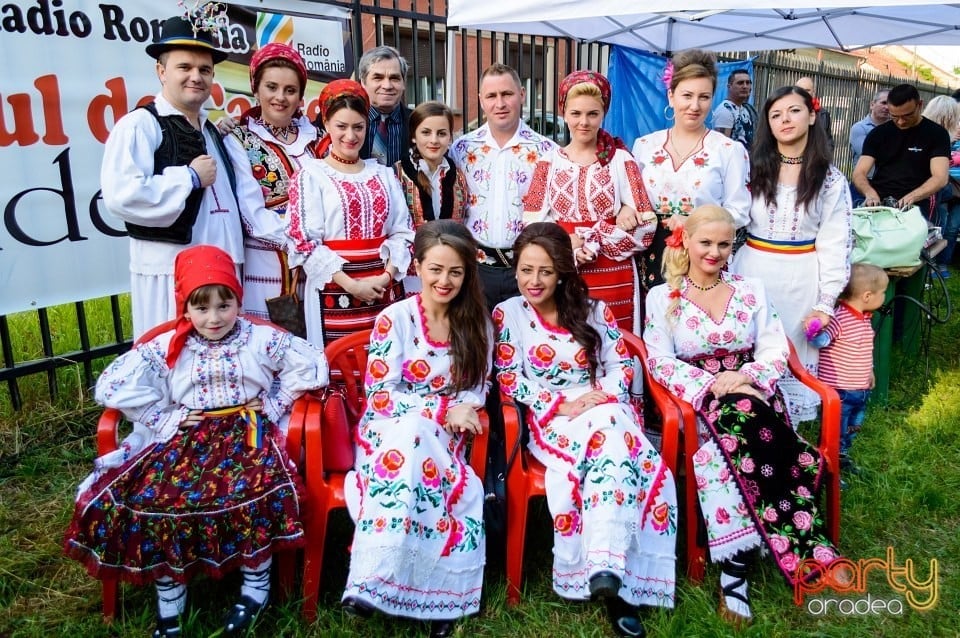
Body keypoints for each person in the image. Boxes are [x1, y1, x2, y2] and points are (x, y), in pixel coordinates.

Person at [64, 245, 329, 637]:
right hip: (187, 438)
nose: (214, 318)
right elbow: (112, 385)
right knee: (160, 498)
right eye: (201, 308)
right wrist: (162, 417)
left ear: (238, 302)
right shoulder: (169, 345)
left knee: (251, 492)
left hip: (246, 433)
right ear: (184, 307)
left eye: (225, 305)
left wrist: (275, 402)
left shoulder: (257, 338)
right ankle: (170, 604)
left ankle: (255, 589)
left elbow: (312, 364)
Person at [644, 205, 841, 627]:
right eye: (706, 243)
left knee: (735, 435)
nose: (715, 252)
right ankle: (800, 545)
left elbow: (773, 348)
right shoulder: (664, 297)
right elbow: (659, 362)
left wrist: (745, 377)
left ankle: (734, 575)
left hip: (753, 392)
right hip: (698, 400)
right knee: (728, 437)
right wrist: (711, 385)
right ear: (686, 242)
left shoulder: (751, 289)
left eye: (724, 243)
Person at [494, 222, 677, 638]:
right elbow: (509, 378)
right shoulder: (508, 314)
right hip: (553, 417)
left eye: (544, 271)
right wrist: (565, 404)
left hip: (602, 407)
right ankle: (615, 582)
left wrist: (600, 397)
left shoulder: (594, 310)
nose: (533, 281)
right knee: (618, 447)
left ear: (562, 272)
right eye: (525, 270)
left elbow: (620, 365)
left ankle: (606, 568)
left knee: (611, 440)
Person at [341, 220, 491, 638]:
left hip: (445, 438)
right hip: (389, 430)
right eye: (436, 269)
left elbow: (479, 386)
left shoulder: (476, 323)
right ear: (418, 267)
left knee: (425, 455)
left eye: (455, 272)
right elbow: (381, 396)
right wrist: (443, 407)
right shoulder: (396, 318)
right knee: (409, 439)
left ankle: (435, 592)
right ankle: (376, 578)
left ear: (467, 274)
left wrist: (464, 407)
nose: (445, 280)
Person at [100, 14, 285, 338]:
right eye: (184, 67)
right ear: (161, 71)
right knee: (174, 359)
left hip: (223, 275)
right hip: (171, 276)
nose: (195, 77)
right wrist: (188, 178)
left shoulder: (210, 128)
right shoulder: (141, 126)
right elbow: (122, 195)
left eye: (204, 70)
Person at [730, 85, 852, 424]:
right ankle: (744, 425)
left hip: (801, 278)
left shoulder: (829, 179)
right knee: (749, 349)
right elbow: (730, 219)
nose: (785, 120)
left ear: (812, 115)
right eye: (775, 115)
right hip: (752, 271)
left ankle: (788, 434)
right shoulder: (751, 169)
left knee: (791, 353)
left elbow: (836, 243)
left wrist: (825, 302)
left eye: (794, 111)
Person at [523, 70, 657, 333]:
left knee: (616, 345)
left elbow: (648, 223)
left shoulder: (621, 160)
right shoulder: (548, 163)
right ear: (564, 113)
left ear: (603, 114)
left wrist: (604, 232)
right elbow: (531, 223)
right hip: (562, 270)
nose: (583, 122)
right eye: (576, 113)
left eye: (592, 114)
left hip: (614, 274)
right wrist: (565, 244)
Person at [285, 79, 414, 346]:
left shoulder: (383, 174)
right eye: (341, 126)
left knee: (385, 362)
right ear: (327, 125)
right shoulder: (311, 175)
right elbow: (304, 243)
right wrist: (353, 286)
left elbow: (403, 231)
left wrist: (386, 277)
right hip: (334, 292)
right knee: (339, 365)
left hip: (383, 291)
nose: (350, 136)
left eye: (358, 127)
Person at [631, 49, 751, 292]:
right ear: (671, 96)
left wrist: (696, 223)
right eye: (687, 95)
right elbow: (631, 200)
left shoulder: (728, 150)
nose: (694, 106)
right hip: (650, 257)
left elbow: (739, 211)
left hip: (705, 255)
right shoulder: (644, 146)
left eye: (704, 97)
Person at [450, 63, 557, 310]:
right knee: (479, 344)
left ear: (521, 94)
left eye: (507, 94)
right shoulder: (462, 149)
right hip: (476, 270)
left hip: (526, 271)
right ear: (481, 100)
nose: (500, 103)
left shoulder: (546, 151)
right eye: (491, 96)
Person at [228, 43, 319, 319]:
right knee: (273, 345)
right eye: (271, 87)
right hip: (267, 264)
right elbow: (252, 212)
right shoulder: (239, 140)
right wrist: (302, 242)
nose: (281, 97)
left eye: (290, 90)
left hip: (316, 265)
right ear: (255, 89)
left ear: (300, 96)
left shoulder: (316, 136)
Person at [813, 262, 889, 482]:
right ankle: (827, 467)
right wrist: (812, 330)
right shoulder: (840, 318)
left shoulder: (864, 318)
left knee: (850, 428)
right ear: (867, 296)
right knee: (834, 431)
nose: (884, 296)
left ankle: (841, 458)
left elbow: (865, 349)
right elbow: (821, 341)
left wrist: (870, 372)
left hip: (859, 388)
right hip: (840, 391)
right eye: (883, 293)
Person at [394, 101, 469, 293]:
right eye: (426, 132)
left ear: (450, 137)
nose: (434, 140)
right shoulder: (397, 173)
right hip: (411, 271)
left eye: (441, 133)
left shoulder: (459, 176)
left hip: (448, 271)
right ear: (413, 136)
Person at [852, 83, 951, 218]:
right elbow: (859, 173)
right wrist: (869, 193)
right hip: (880, 202)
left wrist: (912, 197)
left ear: (919, 105)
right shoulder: (878, 134)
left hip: (919, 203)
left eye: (907, 116)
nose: (900, 122)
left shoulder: (936, 134)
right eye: (894, 116)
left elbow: (940, 178)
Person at [920, 95, 960, 275]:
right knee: (937, 226)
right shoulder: (933, 134)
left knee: (948, 227)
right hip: (936, 189)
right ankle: (929, 264)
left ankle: (938, 264)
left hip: (952, 189)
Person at [358, 45, 411, 165]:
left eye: (394, 78)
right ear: (363, 82)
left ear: (403, 83)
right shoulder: (346, 124)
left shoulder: (418, 123)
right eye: (378, 78)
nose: (387, 86)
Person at [711, 68, 757, 150]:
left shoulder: (746, 109)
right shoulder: (725, 111)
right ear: (729, 86)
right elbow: (722, 148)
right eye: (740, 83)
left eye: (748, 83)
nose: (745, 86)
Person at [849, 89, 889, 172]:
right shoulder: (859, 128)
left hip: (889, 182)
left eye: (890, 104)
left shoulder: (896, 128)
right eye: (883, 103)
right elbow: (868, 154)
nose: (887, 107)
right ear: (872, 105)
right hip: (865, 180)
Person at [795, 77, 833, 156]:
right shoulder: (787, 112)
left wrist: (824, 158)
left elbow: (828, 140)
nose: (803, 93)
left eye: (807, 90)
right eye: (800, 90)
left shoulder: (823, 114)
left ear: (813, 92)